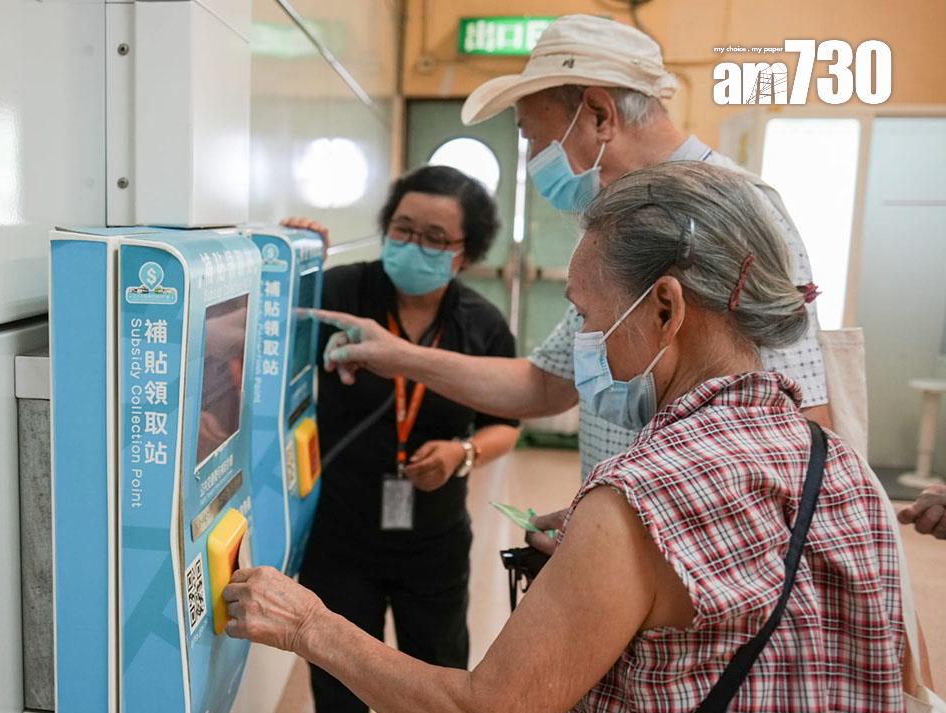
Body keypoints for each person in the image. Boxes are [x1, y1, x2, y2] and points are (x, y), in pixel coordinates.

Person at [225, 161, 913, 713]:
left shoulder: (642, 496)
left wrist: (310, 625)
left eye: (587, 315)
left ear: (666, 308)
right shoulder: (838, 464)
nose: (586, 343)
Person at [313, 15, 832, 535]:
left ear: (599, 113)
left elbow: (805, 427)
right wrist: (399, 355)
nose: (535, 160)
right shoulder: (618, 223)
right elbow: (548, 384)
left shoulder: (739, 214)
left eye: (535, 139)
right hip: (623, 531)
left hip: (706, 558)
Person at [283, 165, 521, 713]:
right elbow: (262, 334)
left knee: (440, 670)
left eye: (435, 238)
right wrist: (290, 260)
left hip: (434, 538)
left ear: (466, 253)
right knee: (336, 668)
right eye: (402, 229)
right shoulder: (342, 292)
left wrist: (462, 452)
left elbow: (507, 424)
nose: (413, 246)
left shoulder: (482, 324)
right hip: (340, 532)